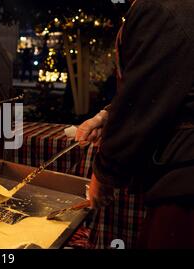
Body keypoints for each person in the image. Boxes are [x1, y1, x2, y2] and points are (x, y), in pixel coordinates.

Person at [76, 0, 194, 248]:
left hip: (185, 182)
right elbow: (166, 84)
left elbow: (143, 101)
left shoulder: (161, 7)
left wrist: (104, 174)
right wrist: (107, 115)